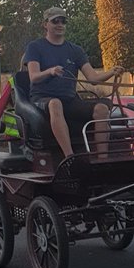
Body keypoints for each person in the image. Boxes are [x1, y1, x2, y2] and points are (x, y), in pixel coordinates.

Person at [22, 8, 123, 160]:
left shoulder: (76, 50)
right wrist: (50, 71)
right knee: (55, 103)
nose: (60, 24)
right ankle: (70, 157)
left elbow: (93, 79)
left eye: (63, 21)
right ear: (45, 24)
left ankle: (103, 159)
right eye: (55, 21)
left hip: (69, 100)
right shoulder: (35, 47)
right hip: (41, 98)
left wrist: (112, 72)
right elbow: (34, 77)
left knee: (102, 108)